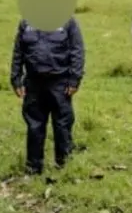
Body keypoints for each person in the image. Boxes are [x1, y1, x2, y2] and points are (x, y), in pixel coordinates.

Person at [10, 13, 85, 174]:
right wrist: (16, 78)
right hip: (34, 83)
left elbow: (77, 51)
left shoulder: (67, 21)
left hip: (60, 82)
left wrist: (74, 79)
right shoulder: (26, 22)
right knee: (34, 126)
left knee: (62, 125)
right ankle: (33, 168)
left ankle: (64, 166)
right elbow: (18, 52)